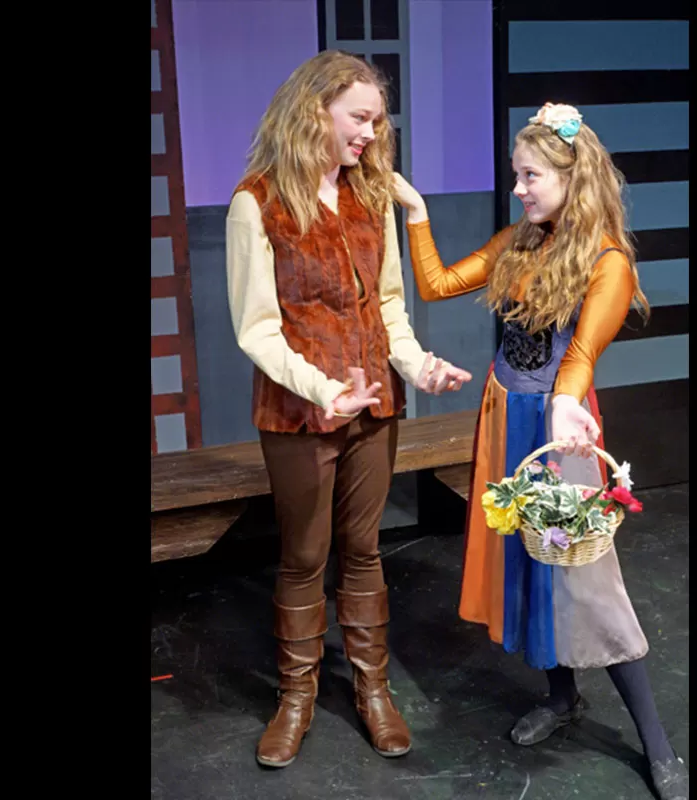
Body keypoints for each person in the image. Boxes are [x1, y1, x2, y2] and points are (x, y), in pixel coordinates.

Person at [391, 103, 689, 798]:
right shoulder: (518, 243)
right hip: (504, 420)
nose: (518, 188)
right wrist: (416, 212)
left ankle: (657, 742)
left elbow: (579, 357)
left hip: (561, 428)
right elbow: (436, 284)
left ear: (570, 177)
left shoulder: (607, 262)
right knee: (532, 560)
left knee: (588, 578)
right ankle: (562, 697)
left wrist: (561, 409)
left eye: (530, 176)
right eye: (516, 175)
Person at [225, 49, 472, 769]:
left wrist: (418, 365)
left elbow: (390, 307)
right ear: (315, 111)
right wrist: (322, 389)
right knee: (305, 556)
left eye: (376, 122)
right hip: (300, 412)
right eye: (358, 118)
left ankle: (373, 690)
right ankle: (296, 697)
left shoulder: (370, 198)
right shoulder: (256, 202)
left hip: (375, 407)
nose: (369, 133)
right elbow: (256, 329)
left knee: (363, 551)